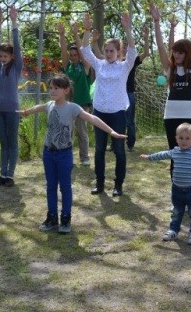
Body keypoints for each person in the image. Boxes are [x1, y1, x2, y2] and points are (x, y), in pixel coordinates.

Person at [19, 74, 127, 233]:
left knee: (65, 187)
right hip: (48, 153)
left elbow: (93, 119)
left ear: (66, 90)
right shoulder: (49, 105)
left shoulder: (73, 108)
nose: (52, 91)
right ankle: (52, 217)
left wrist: (111, 132)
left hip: (64, 155)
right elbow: (38, 107)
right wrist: (26, 112)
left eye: (56, 88)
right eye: (51, 88)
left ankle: (65, 218)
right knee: (50, 186)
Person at [80, 12, 136, 197]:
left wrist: (127, 28)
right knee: (99, 150)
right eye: (107, 51)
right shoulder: (99, 64)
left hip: (118, 114)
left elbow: (133, 51)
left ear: (118, 52)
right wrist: (86, 29)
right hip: (99, 113)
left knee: (119, 150)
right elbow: (85, 50)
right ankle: (100, 183)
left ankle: (118, 185)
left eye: (112, 51)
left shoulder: (124, 66)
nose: (109, 54)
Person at [151, 3, 191, 158]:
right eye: (175, 52)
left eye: (181, 53)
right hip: (171, 115)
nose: (176, 55)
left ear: (188, 53)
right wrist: (157, 22)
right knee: (174, 154)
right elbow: (161, 47)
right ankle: (175, 175)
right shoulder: (170, 69)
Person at [0, 5, 23, 187]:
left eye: (5, 56)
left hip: (12, 110)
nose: (2, 58)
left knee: (12, 143)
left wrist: (13, 21)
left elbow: (17, 46)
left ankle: (10, 175)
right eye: (0, 56)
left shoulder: (16, 67)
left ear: (12, 56)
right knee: (3, 144)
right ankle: (2, 174)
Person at [58, 21, 94, 166]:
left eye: (75, 55)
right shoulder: (68, 67)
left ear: (79, 56)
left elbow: (83, 50)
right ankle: (68, 157)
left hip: (82, 104)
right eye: (71, 55)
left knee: (82, 132)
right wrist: (62, 35)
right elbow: (63, 51)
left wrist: (75, 34)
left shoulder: (85, 66)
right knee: (67, 131)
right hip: (68, 103)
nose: (73, 57)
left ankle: (84, 157)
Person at [124, 24, 151, 151]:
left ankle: (130, 145)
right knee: (116, 119)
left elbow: (146, 53)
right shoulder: (113, 61)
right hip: (116, 95)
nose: (124, 49)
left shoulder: (132, 60)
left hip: (129, 94)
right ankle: (115, 144)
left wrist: (146, 38)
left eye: (126, 47)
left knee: (129, 121)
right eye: (122, 47)